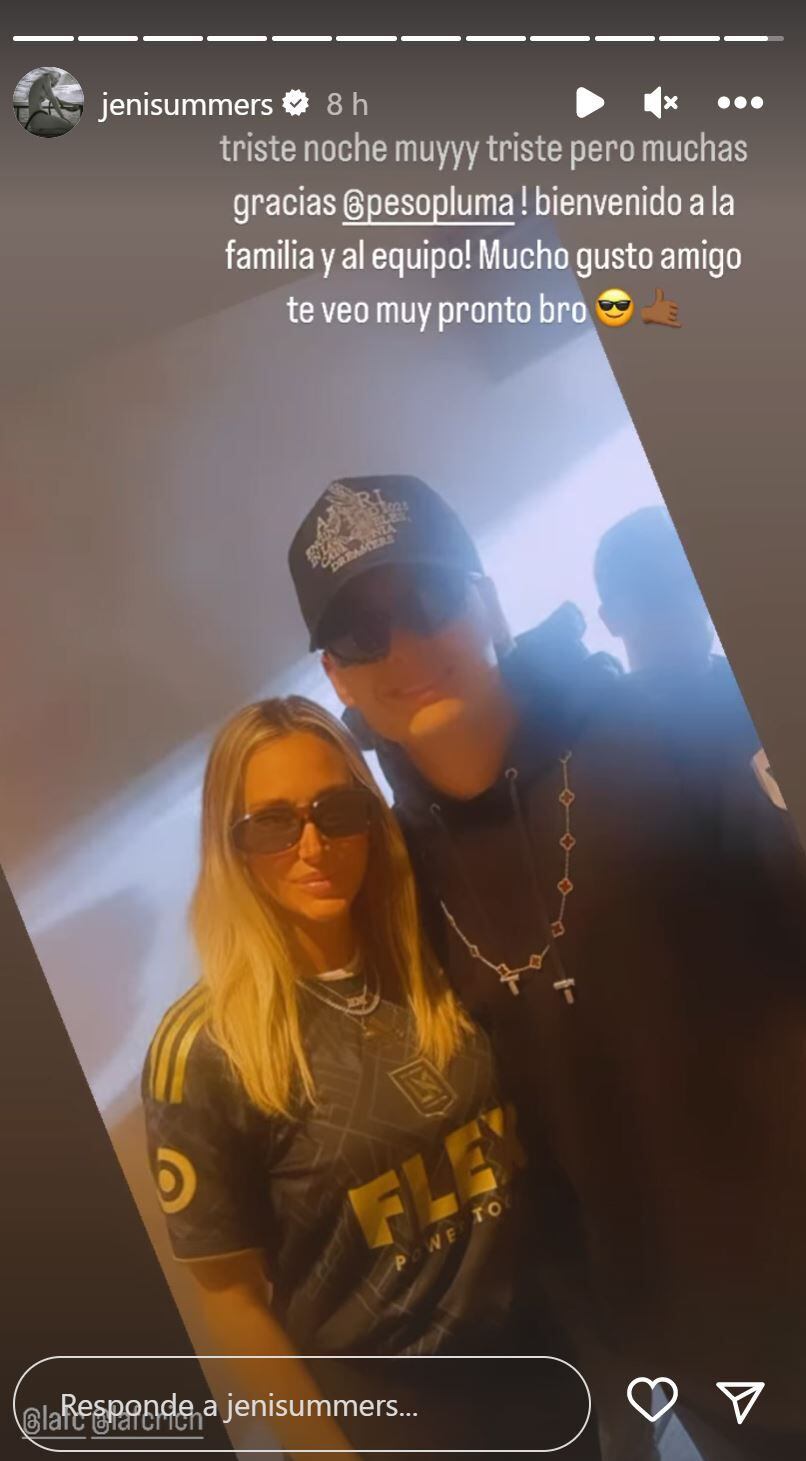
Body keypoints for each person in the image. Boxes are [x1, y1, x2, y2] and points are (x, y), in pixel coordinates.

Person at [288, 476, 806, 1461]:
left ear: (485, 601)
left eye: (430, 599)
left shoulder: (672, 728)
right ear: (337, 675)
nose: (406, 647)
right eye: (362, 632)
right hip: (682, 1360)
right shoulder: (388, 888)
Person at [142, 695, 597, 1458]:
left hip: (544, 1366)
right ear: (229, 843)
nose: (312, 845)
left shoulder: (435, 952)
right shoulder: (203, 1048)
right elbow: (231, 1298)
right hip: (395, 1417)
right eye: (273, 822)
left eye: (337, 810)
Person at [594, 506, 761, 762]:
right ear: (611, 619)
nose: (686, 603)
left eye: (691, 581)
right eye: (657, 589)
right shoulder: (598, 737)